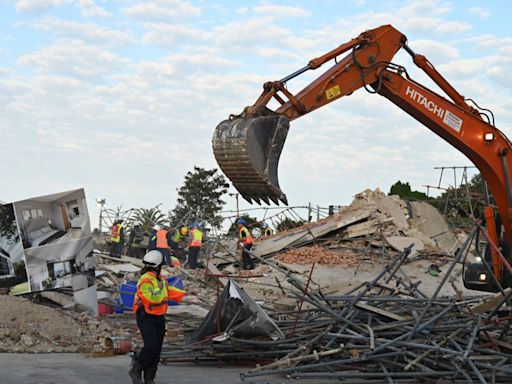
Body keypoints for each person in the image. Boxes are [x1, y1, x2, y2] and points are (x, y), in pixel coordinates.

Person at [129, 250, 186, 384]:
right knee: (151, 346)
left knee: (157, 350)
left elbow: (169, 291)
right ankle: (136, 367)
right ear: (157, 265)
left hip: (159, 316)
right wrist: (159, 289)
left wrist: (185, 293)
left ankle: (150, 378)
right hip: (146, 316)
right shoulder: (145, 280)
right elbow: (151, 299)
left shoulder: (160, 280)